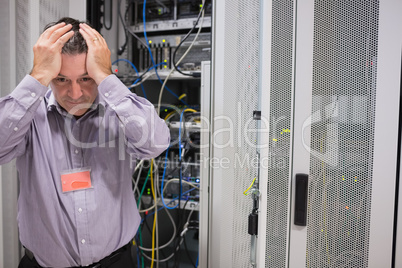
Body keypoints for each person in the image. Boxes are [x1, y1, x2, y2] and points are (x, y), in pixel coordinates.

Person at [0, 17, 170, 267]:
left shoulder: (119, 111)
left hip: (116, 262)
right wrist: (36, 77)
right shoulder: (29, 115)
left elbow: (155, 144)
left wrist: (106, 77)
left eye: (86, 78)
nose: (75, 93)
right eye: (61, 79)